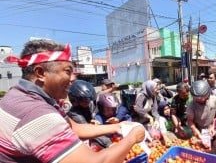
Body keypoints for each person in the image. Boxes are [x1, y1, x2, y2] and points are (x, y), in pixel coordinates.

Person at [0, 39, 145, 163]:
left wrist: (118, 127)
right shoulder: (36, 113)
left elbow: (74, 128)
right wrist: (132, 138)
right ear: (40, 73)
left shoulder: (20, 95)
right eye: (68, 71)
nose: (73, 78)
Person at [186, 80, 216, 148]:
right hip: (200, 130)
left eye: (202, 98)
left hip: (215, 128)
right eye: (197, 98)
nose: (200, 100)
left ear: (207, 94)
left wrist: (213, 126)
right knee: (202, 147)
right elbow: (190, 120)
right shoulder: (191, 105)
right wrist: (195, 130)